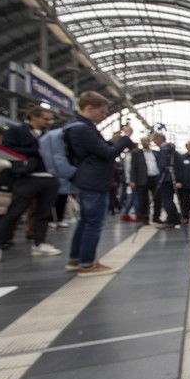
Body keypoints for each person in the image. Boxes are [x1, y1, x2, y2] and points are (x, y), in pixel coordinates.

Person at [64, 91, 132, 276]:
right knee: (94, 223)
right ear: (89, 108)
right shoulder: (82, 129)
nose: (103, 116)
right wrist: (125, 139)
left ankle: (75, 259)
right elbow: (107, 154)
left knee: (85, 221)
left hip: (87, 178)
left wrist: (113, 141)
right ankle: (87, 264)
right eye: (101, 112)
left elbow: (97, 150)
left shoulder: (76, 127)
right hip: (93, 180)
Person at [0, 105, 60, 264]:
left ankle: (39, 242)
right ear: (33, 117)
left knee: (43, 213)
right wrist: (35, 152)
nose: (49, 122)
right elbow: (6, 149)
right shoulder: (16, 131)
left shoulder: (50, 135)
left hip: (48, 176)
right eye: (45, 119)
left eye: (50, 119)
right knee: (14, 212)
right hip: (26, 177)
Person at [40, 119, 82, 230]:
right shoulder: (56, 137)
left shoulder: (49, 137)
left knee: (58, 199)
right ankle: (55, 219)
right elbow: (58, 157)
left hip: (57, 174)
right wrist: (70, 171)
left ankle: (56, 219)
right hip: (58, 173)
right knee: (55, 199)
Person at [151, 132, 184, 227]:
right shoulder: (172, 149)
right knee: (169, 199)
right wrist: (179, 179)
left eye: (155, 139)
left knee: (166, 199)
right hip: (172, 177)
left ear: (159, 138)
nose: (154, 142)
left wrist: (158, 178)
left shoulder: (164, 150)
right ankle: (175, 217)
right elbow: (180, 165)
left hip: (165, 178)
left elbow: (162, 165)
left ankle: (172, 219)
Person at [130, 135, 160, 225]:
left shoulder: (155, 153)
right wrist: (132, 180)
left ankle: (156, 217)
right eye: (142, 141)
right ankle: (145, 218)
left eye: (146, 141)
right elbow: (133, 167)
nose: (144, 143)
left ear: (149, 142)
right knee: (143, 200)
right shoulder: (136, 153)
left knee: (158, 198)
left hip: (155, 178)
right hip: (143, 179)